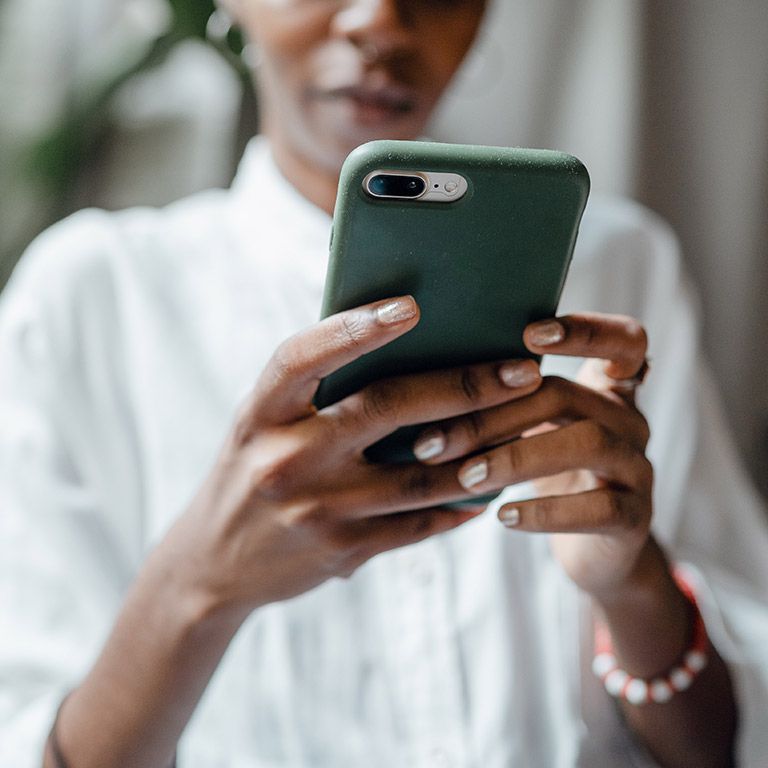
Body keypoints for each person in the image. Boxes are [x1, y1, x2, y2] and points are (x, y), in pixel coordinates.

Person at [1, 1, 767, 766]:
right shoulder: (90, 301)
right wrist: (199, 586)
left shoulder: (617, 270)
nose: (380, 20)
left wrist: (632, 585)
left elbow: (722, 746)